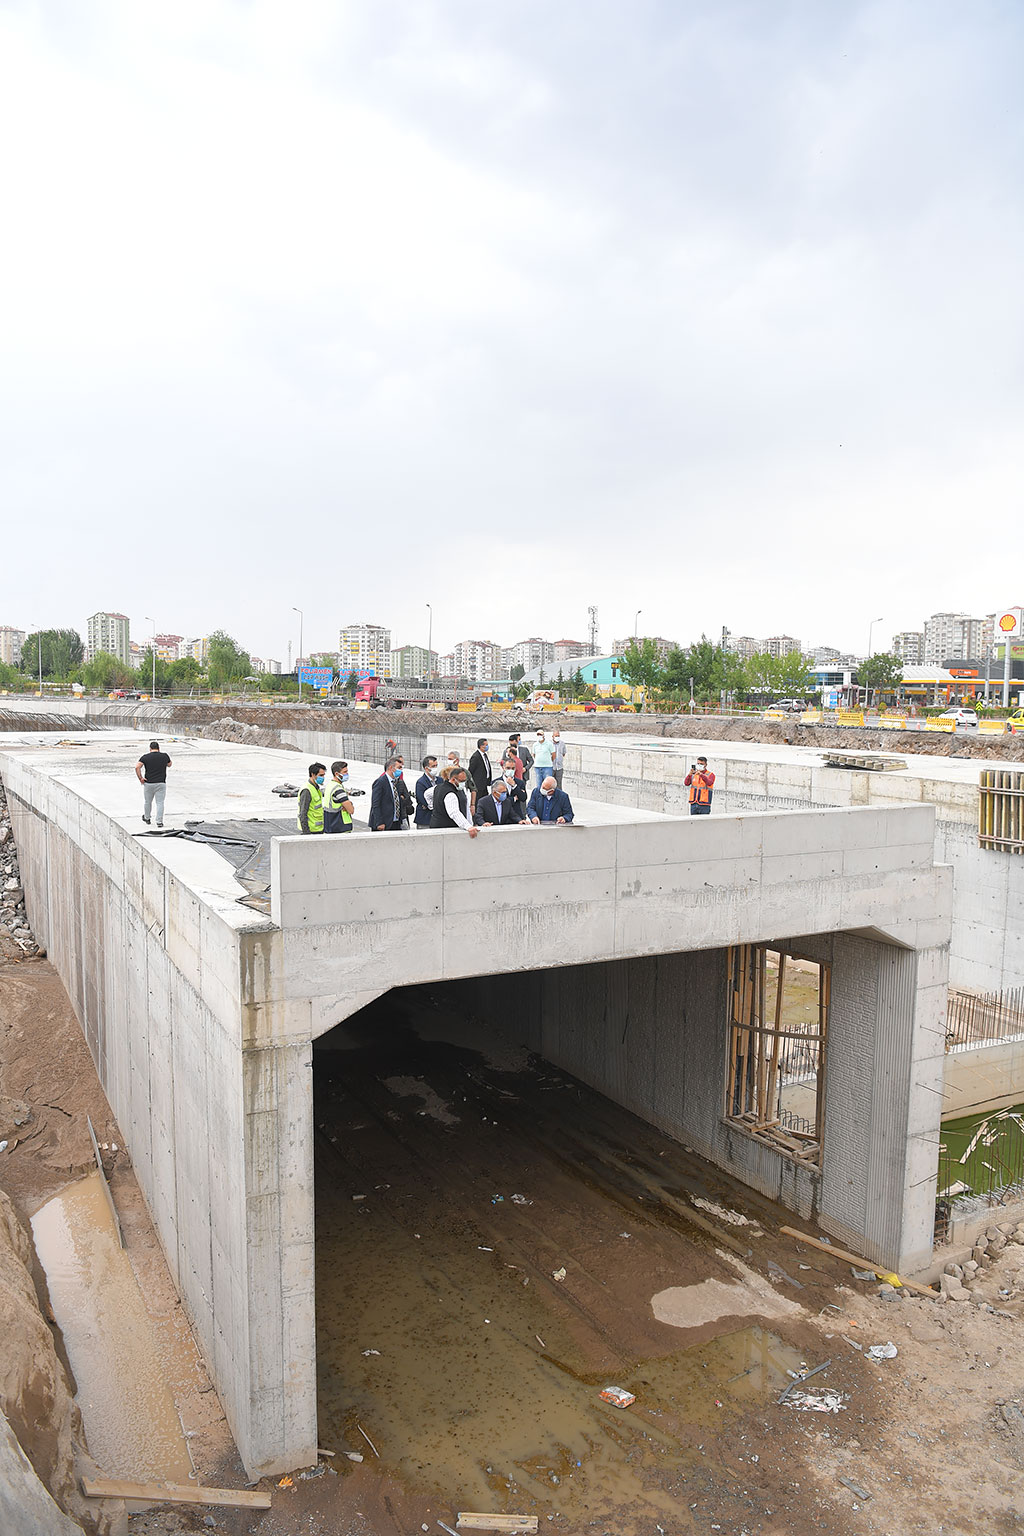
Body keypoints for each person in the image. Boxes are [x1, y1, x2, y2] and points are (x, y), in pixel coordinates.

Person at [429, 765, 479, 836]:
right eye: (462, 781)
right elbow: (454, 812)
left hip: (436, 826)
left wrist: (432, 806)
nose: (464, 784)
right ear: (453, 779)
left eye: (465, 781)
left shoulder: (439, 787)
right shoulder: (450, 793)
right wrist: (468, 826)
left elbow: (427, 795)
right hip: (446, 830)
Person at [136, 739, 172, 826]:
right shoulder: (164, 756)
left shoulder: (145, 757)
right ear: (158, 748)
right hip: (161, 783)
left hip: (148, 783)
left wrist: (140, 778)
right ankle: (159, 822)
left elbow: (137, 767)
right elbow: (170, 764)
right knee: (160, 802)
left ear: (150, 748)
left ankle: (147, 818)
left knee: (148, 801)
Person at [370, 757, 406, 831]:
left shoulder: (396, 782)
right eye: (399, 768)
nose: (401, 770)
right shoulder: (380, 782)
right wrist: (379, 822)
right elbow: (376, 804)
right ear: (391, 768)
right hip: (384, 823)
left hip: (395, 822)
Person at [323, 761, 355, 833]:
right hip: (340, 827)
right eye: (345, 772)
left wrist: (348, 804)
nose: (347, 774)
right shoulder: (338, 789)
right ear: (337, 774)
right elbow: (351, 810)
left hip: (330, 825)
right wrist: (349, 805)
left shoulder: (330, 785)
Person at [297, 761, 327, 834]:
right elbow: (303, 813)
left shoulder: (316, 788)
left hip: (318, 830)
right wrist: (306, 833)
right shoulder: (307, 790)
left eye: (323, 775)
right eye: (321, 775)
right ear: (313, 774)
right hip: (311, 831)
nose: (323, 778)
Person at [468, 738, 492, 810]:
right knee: (478, 803)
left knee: (485, 802)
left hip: (484, 784)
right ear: (481, 746)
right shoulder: (476, 757)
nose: (487, 746)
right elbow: (470, 771)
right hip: (478, 785)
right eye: (486, 745)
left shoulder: (484, 755)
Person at [414, 756, 438, 828]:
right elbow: (424, 800)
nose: (435, 768)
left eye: (436, 765)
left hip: (437, 819)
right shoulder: (421, 782)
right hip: (425, 819)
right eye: (433, 766)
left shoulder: (440, 780)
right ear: (426, 768)